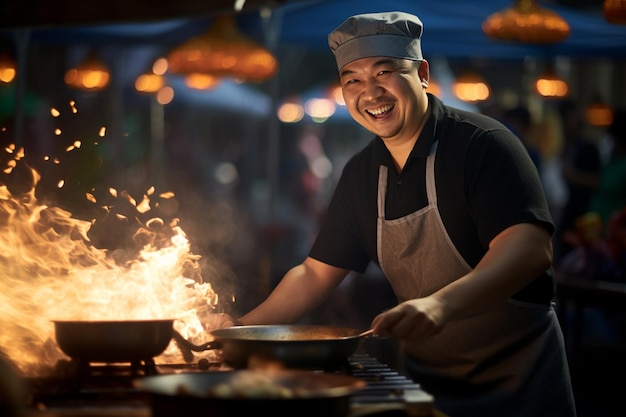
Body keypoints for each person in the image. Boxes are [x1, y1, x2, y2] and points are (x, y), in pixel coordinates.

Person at [226, 11, 576, 417]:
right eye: (352, 80)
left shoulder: (484, 145)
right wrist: (236, 332)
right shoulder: (360, 174)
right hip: (427, 388)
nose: (370, 93)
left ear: (422, 73)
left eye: (384, 72)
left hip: (521, 386)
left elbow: (529, 248)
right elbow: (315, 273)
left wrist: (438, 306)